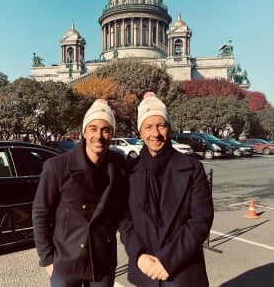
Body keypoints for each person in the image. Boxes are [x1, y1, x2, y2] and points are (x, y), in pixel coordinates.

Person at [119, 92, 214, 287]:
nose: (155, 133)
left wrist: (168, 260)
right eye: (148, 127)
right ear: (140, 132)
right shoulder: (130, 171)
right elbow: (124, 219)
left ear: (169, 128)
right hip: (146, 270)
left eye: (161, 125)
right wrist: (138, 255)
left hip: (183, 271)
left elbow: (200, 219)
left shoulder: (192, 168)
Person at [32, 99, 128, 287]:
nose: (98, 135)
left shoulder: (119, 166)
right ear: (84, 132)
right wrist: (48, 260)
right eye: (93, 128)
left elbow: (123, 212)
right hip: (66, 260)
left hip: (102, 260)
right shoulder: (57, 166)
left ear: (112, 135)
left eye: (105, 130)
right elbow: (40, 213)